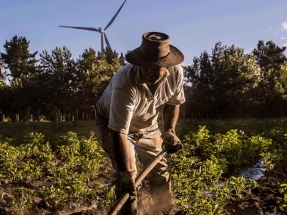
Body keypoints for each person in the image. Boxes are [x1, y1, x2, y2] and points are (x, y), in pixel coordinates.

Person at [95, 31, 185, 215]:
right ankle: (128, 211)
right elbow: (119, 132)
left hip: (148, 125)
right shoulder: (124, 83)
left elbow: (173, 103)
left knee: (160, 173)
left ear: (166, 66)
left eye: (155, 67)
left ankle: (162, 210)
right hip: (116, 127)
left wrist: (169, 131)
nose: (149, 71)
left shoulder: (176, 74)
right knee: (128, 180)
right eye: (145, 66)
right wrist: (126, 173)